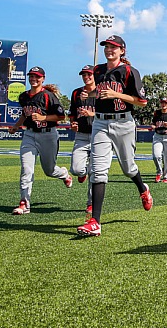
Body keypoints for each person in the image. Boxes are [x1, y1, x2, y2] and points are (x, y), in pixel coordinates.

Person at [77, 35, 153, 237]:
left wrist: (116, 95)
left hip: (123, 122)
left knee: (128, 168)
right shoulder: (98, 70)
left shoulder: (129, 71)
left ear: (122, 50)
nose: (109, 49)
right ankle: (95, 221)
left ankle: (143, 188)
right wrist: (91, 95)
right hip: (100, 122)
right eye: (107, 46)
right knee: (98, 170)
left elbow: (141, 101)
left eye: (114, 47)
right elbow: (101, 93)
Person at [9, 66, 73, 215]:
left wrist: (44, 117)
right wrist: (16, 126)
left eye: (37, 77)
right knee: (26, 169)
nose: (33, 79)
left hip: (48, 135)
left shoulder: (48, 96)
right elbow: (25, 115)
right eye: (31, 76)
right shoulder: (24, 96)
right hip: (29, 135)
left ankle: (64, 174)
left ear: (43, 79)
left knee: (49, 170)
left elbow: (61, 116)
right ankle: (24, 202)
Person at [69, 64, 96, 219]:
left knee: (95, 172)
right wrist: (73, 123)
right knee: (76, 169)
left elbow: (107, 113)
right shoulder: (76, 93)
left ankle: (91, 202)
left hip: (98, 135)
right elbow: (72, 113)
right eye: (84, 75)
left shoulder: (100, 92)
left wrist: (91, 113)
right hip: (81, 135)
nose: (86, 77)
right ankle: (82, 172)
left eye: (89, 74)